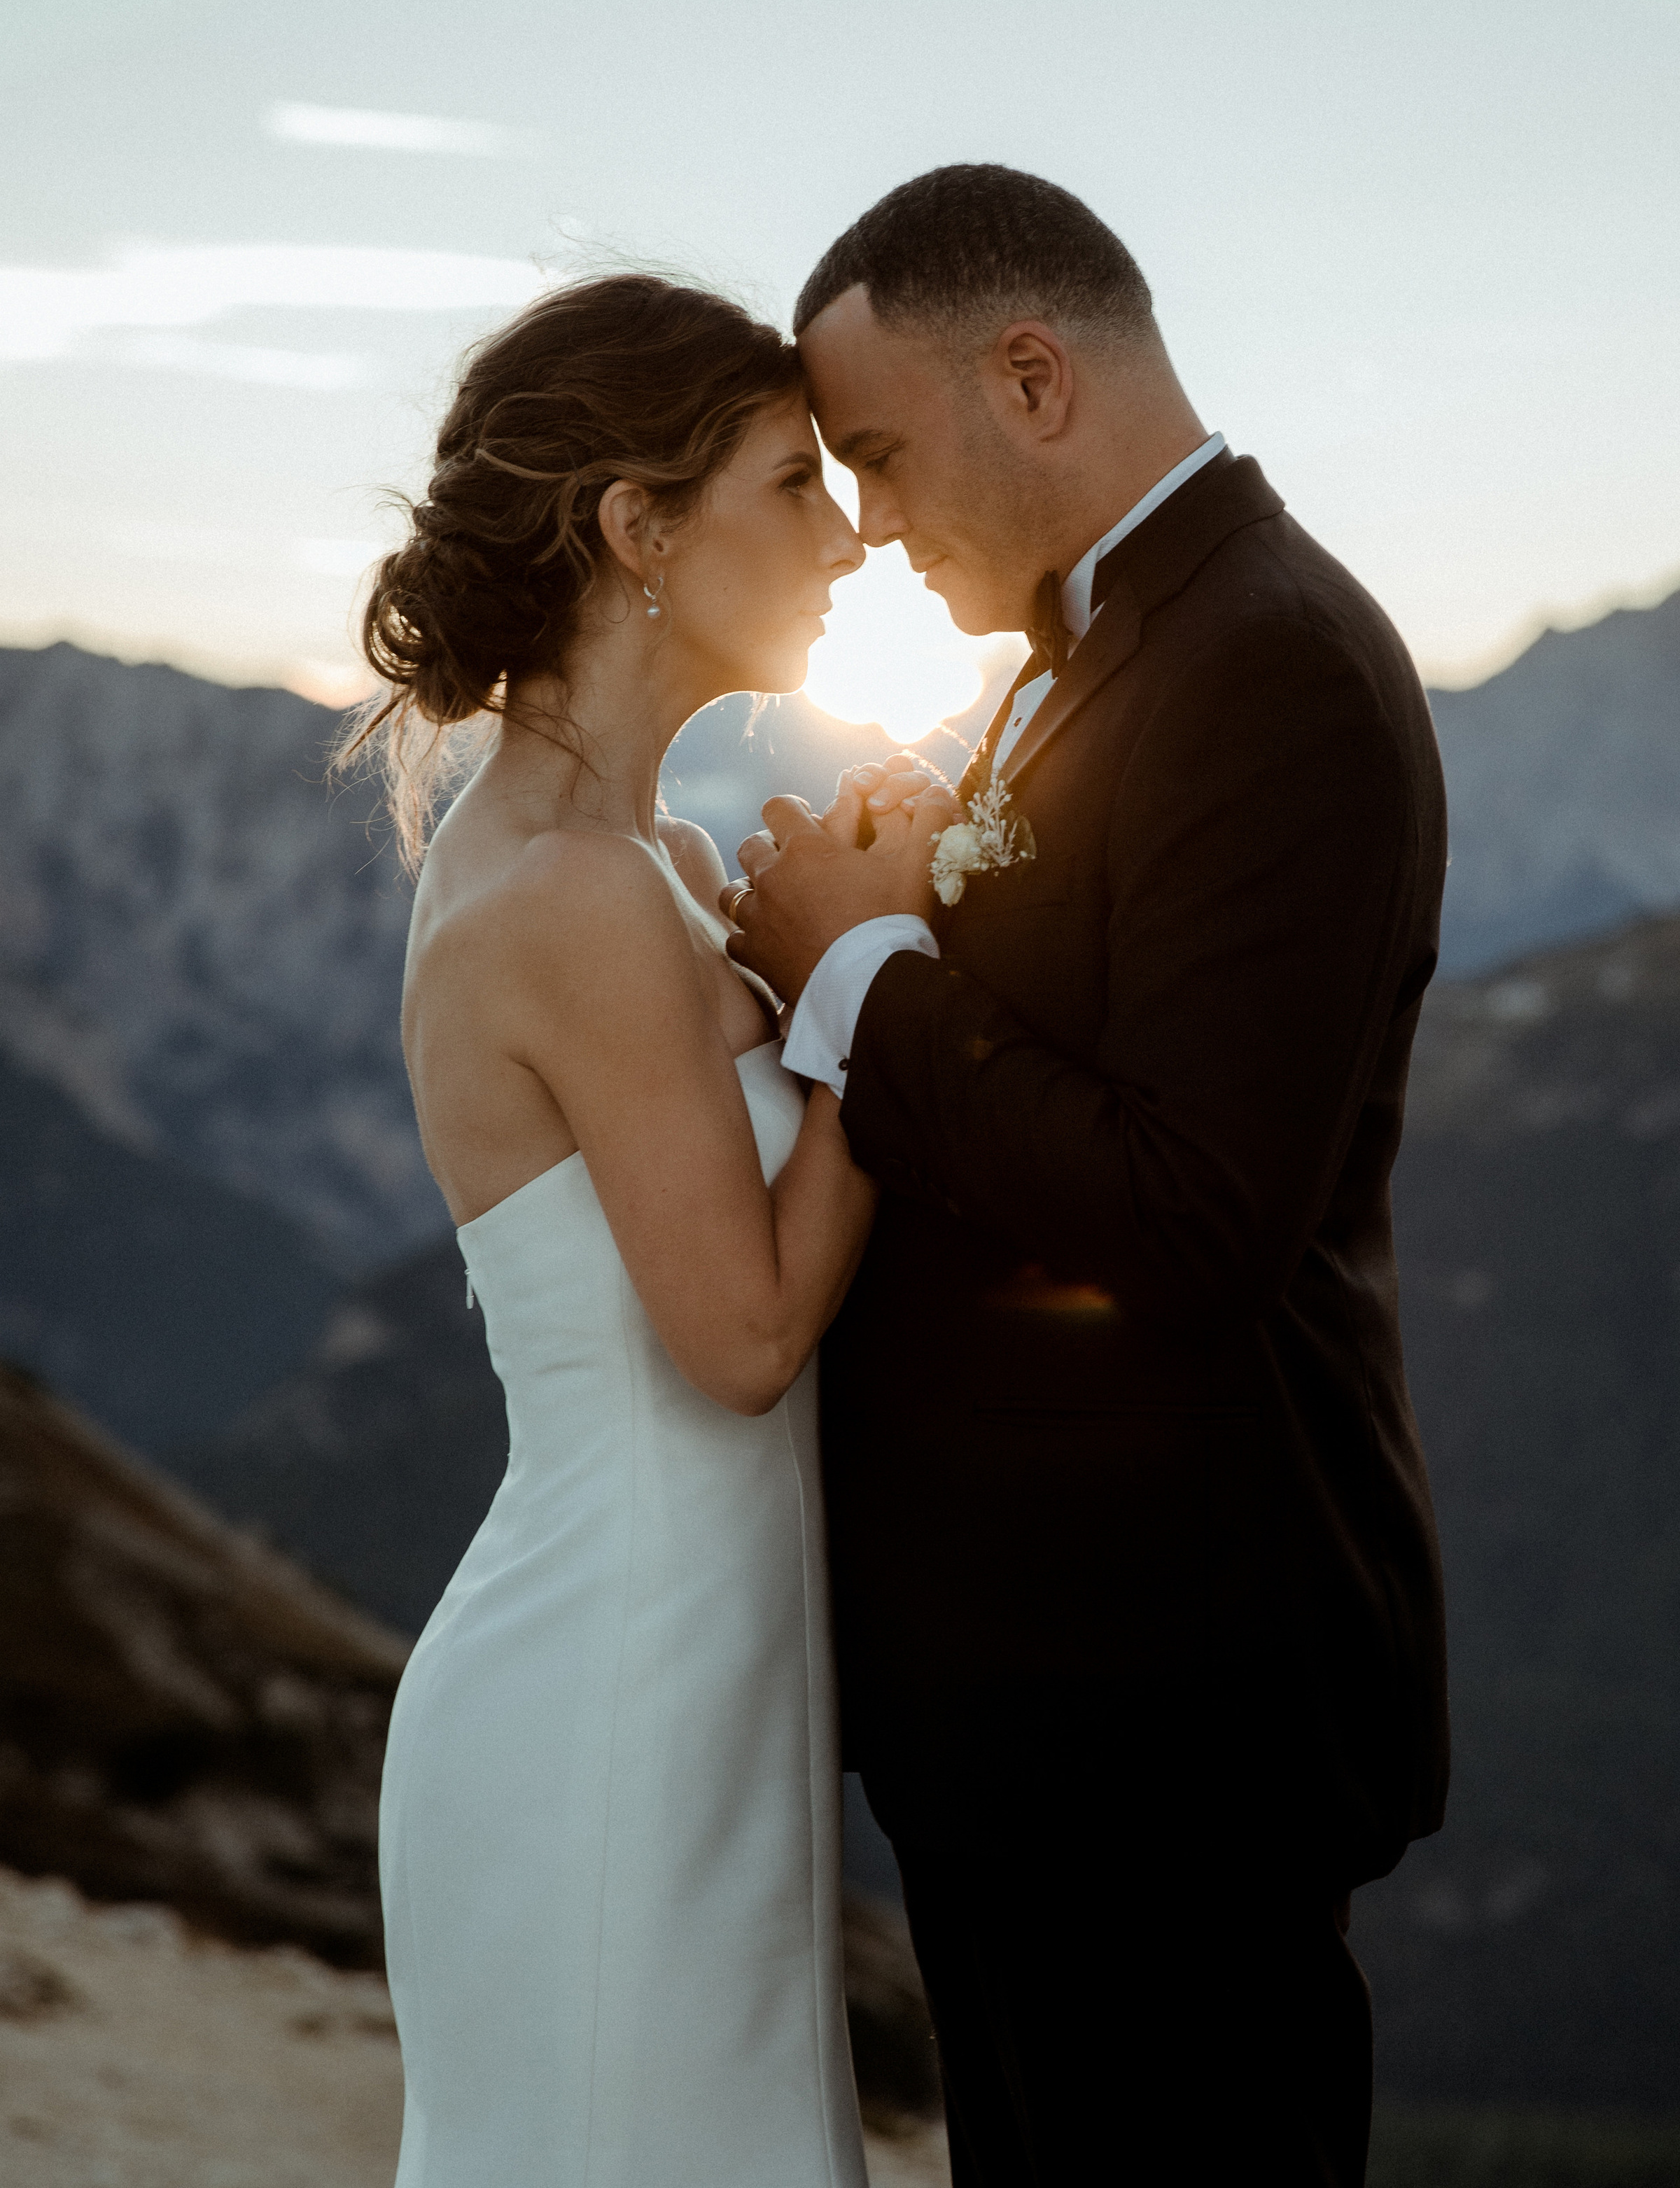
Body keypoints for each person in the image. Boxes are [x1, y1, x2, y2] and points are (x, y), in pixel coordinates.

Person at [728, 164, 1452, 2187]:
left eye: (877, 454)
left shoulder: (1274, 665)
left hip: (1172, 1703)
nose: (866, 524)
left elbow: (1192, 1212)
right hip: (1045, 1697)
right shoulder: (1118, 648)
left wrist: (859, 971)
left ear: (1031, 374)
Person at [365, 274, 953, 2187]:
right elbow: (749, 1332)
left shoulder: (648, 861)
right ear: (638, 529)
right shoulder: (567, 890)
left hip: (700, 1666)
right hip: (611, 1693)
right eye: (794, 481)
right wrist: (875, 978)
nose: (849, 535)